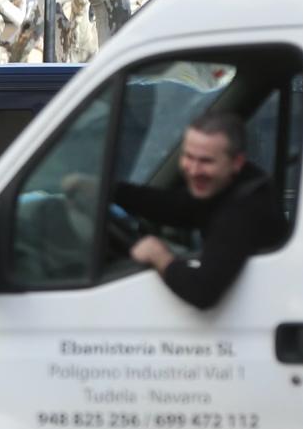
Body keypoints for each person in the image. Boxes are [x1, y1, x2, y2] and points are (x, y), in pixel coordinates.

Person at [110, 109, 287, 310]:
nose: (193, 170)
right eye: (188, 157)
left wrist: (159, 256)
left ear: (236, 162)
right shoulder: (227, 184)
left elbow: (202, 291)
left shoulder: (244, 209)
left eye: (205, 161)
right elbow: (175, 207)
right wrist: (109, 191)